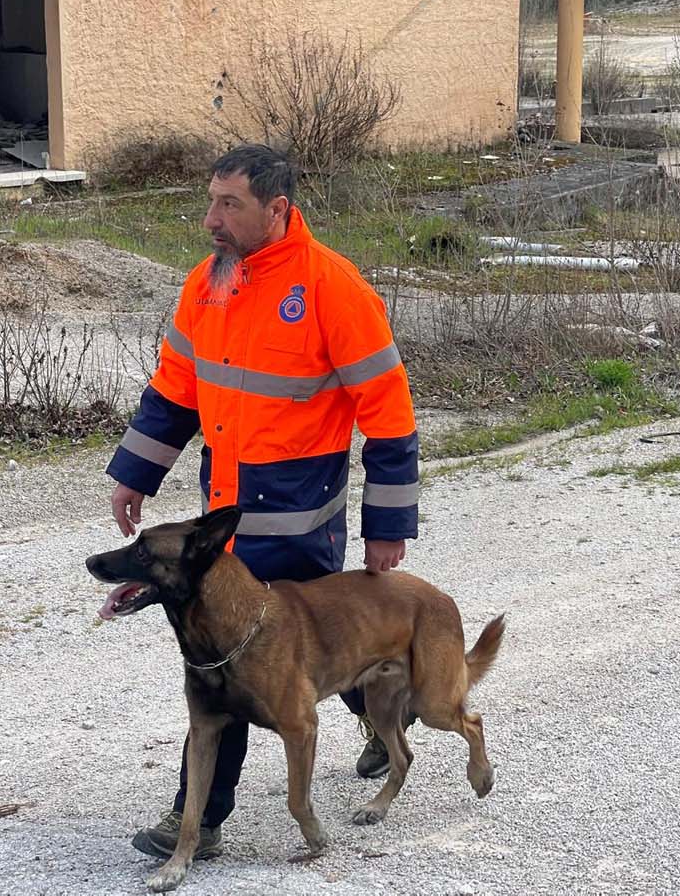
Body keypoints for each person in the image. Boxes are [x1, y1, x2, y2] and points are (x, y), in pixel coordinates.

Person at [106, 144, 420, 860]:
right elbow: (175, 390)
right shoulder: (206, 283)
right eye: (210, 202)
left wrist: (387, 526)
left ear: (277, 209)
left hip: (300, 519)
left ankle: (379, 718)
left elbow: (389, 415)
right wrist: (135, 475)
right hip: (223, 517)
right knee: (228, 654)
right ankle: (203, 818)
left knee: (302, 650)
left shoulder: (334, 289)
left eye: (229, 205)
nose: (210, 220)